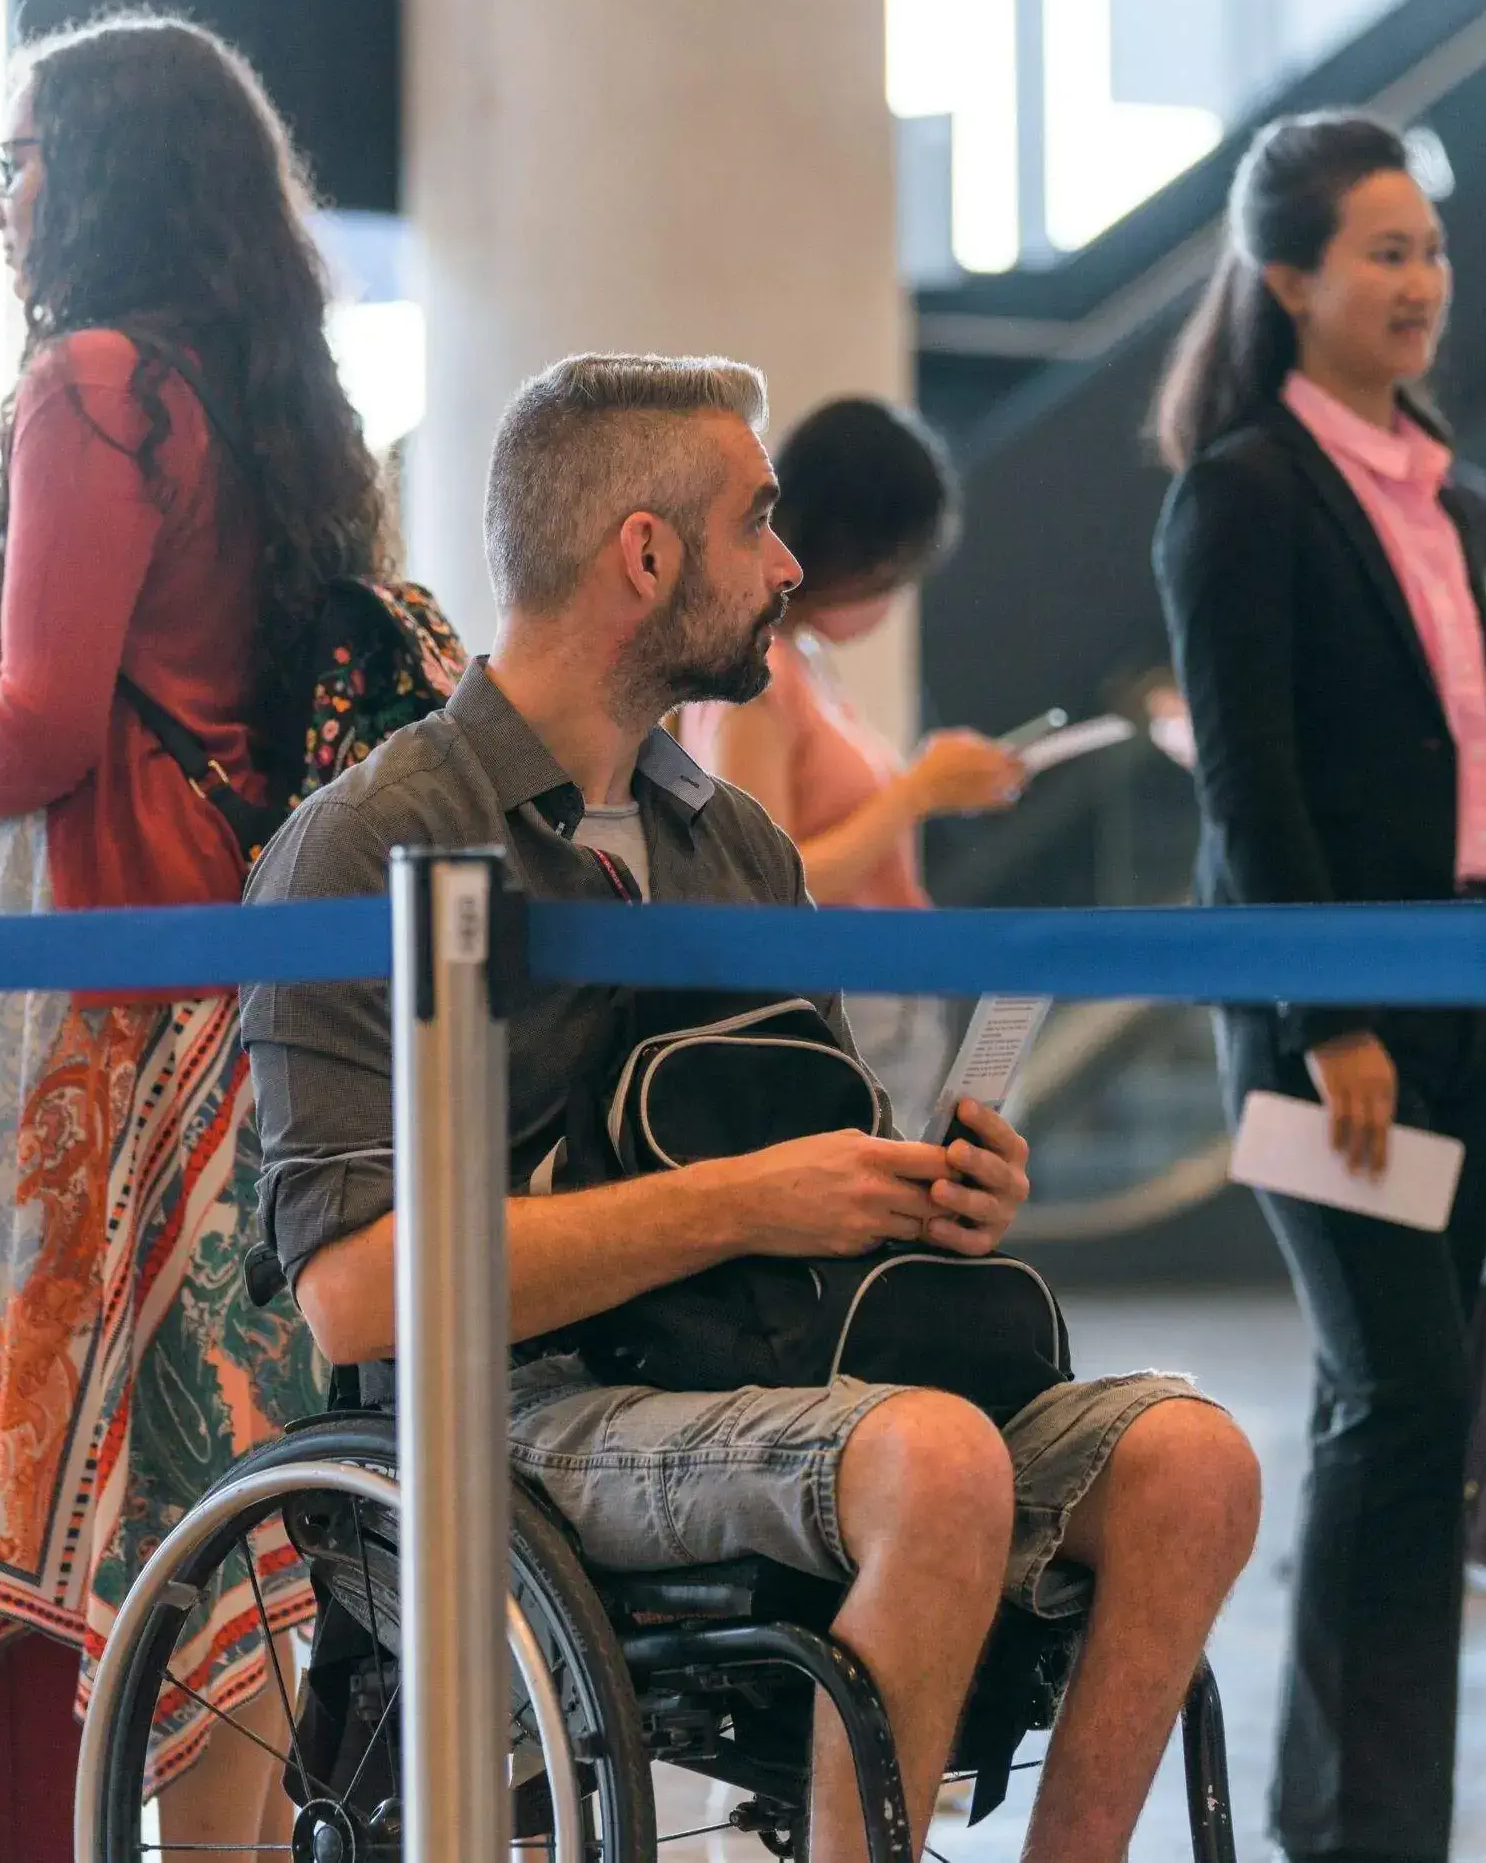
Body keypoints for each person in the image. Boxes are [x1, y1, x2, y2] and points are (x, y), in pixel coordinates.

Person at [242, 354, 1263, 1863]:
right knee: (941, 1459)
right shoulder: (369, 843)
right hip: (523, 1405)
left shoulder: (738, 846)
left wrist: (926, 1192)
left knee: (1197, 1460)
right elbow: (349, 1293)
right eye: (758, 521)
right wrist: (751, 1200)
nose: (792, 564)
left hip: (780, 1356)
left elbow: (785, 1134)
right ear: (644, 554)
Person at [0, 12, 391, 1844]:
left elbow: (45, 729)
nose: (1, 203)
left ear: (99, 172)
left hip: (100, 994)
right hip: (247, 984)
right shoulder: (271, 388)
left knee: (153, 1490)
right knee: (226, 1472)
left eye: (19, 159)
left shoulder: (92, 384)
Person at [1148, 108, 1486, 1863]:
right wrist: (1324, 1011)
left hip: (1470, 998)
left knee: (1422, 1414)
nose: (1422, 282)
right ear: (1290, 281)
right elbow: (1247, 782)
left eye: (1431, 249)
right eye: (1384, 253)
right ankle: (1346, 1831)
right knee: (1393, 1393)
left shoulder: (1452, 492)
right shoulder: (1242, 493)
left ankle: (1389, 1821)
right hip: (1320, 1027)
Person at [682, 396, 1025, 1126]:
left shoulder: (803, 663)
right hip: (833, 1007)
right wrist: (912, 796)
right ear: (854, 552)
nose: (892, 600)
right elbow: (767, 884)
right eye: (892, 573)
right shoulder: (759, 673)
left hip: (873, 994)